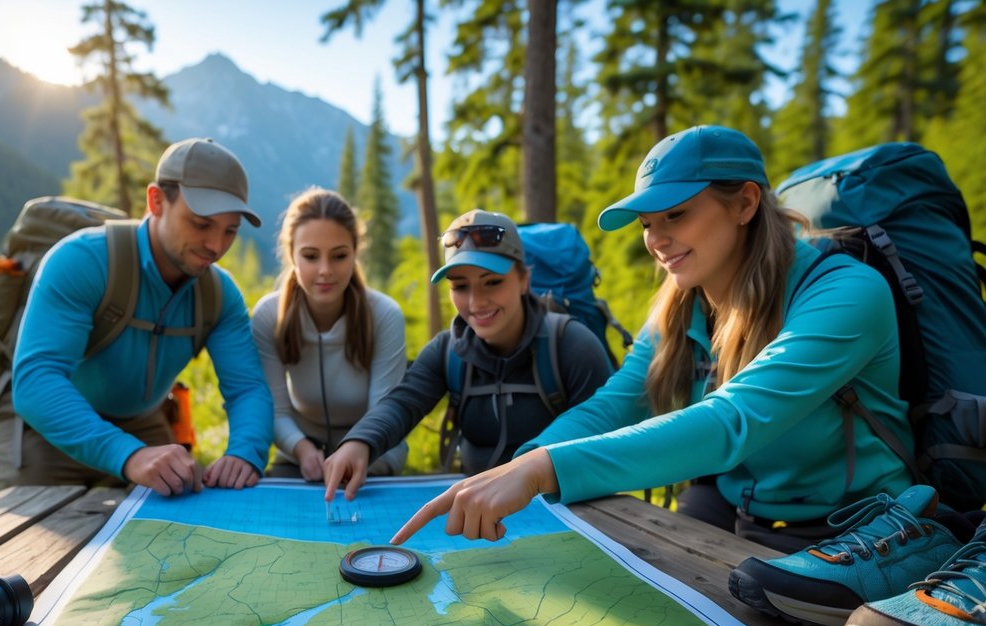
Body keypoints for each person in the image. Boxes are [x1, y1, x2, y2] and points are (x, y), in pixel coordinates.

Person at [391, 125, 917, 550]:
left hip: (861, 530)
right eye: (646, 222)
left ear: (745, 203)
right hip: (743, 514)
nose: (656, 240)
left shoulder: (846, 293)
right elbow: (615, 405)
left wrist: (542, 471)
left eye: (676, 215)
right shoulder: (682, 308)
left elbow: (732, 422)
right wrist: (522, 463)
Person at [2, 137, 273, 497]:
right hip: (53, 428)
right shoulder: (82, 261)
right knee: (35, 530)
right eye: (201, 223)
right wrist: (129, 454)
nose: (216, 246)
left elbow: (247, 388)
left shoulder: (220, 295)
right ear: (156, 201)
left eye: (230, 231)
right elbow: (36, 380)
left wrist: (245, 453)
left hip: (145, 426)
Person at [324, 208, 612, 502]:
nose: (476, 302)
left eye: (492, 282)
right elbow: (402, 403)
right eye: (461, 286)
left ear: (524, 280)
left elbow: (603, 445)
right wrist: (360, 442)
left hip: (562, 510)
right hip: (477, 509)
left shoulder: (571, 346)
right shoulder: (448, 351)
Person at [251, 188, 408, 481]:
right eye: (311, 256)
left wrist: (357, 449)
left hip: (375, 451)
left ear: (355, 253)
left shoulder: (385, 315)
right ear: (291, 255)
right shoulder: (268, 316)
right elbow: (275, 410)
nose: (325, 270)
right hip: (300, 450)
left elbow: (384, 412)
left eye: (339, 256)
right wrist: (302, 450)